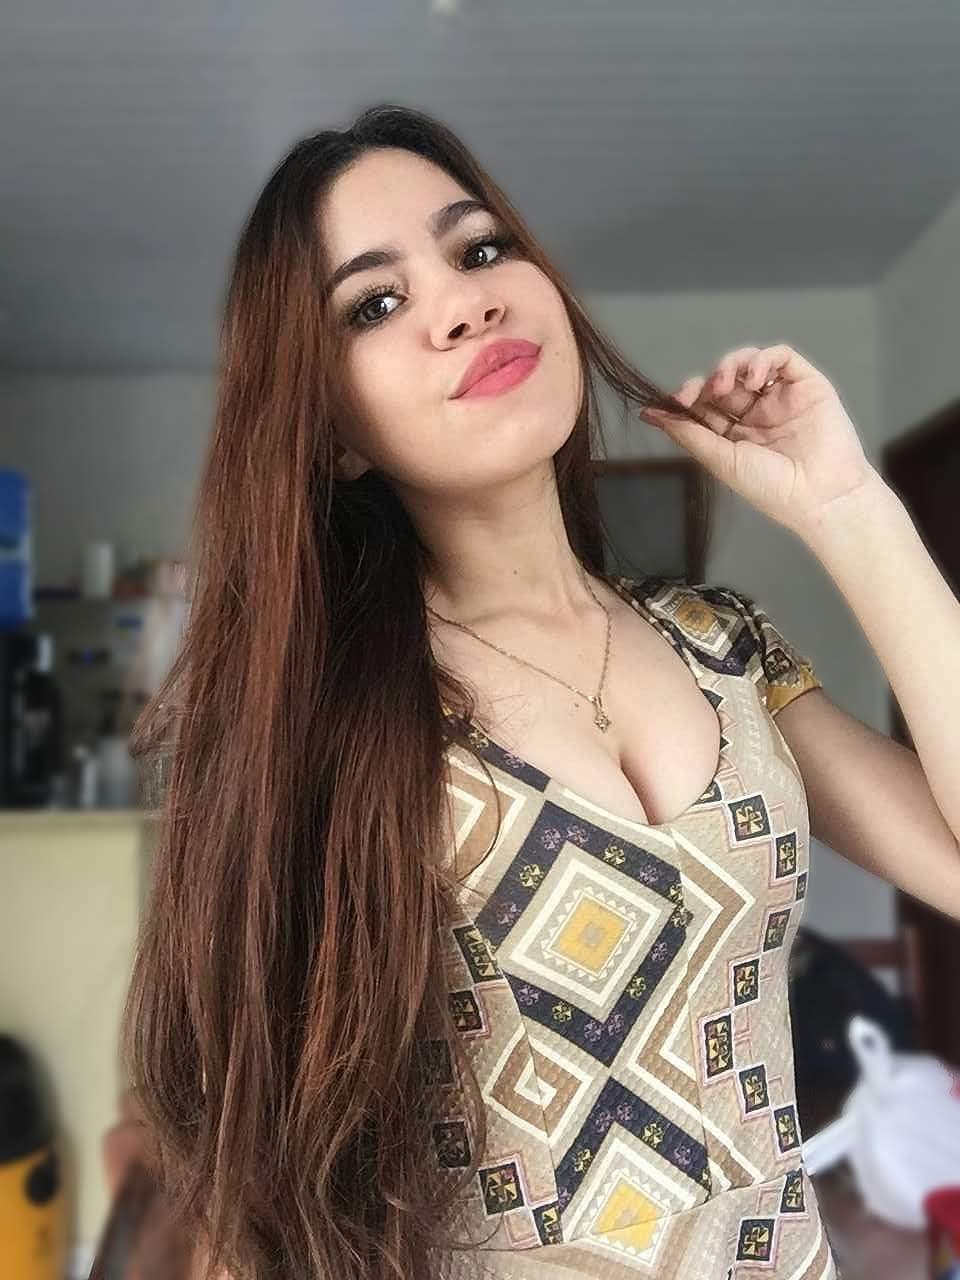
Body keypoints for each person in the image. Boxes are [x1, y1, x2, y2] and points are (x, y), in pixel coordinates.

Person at [120, 103, 960, 1280]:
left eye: (480, 249)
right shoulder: (323, 716)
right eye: (375, 304)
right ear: (333, 431)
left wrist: (848, 508)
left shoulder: (723, 645)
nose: (464, 304)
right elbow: (255, 1162)